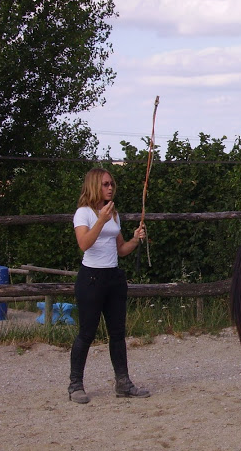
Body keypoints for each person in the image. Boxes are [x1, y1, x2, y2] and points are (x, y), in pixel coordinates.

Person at [68, 167, 151, 404]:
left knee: (117, 334)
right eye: (105, 184)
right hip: (91, 279)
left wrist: (135, 239)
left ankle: (123, 383)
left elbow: (121, 249)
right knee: (87, 333)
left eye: (111, 183)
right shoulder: (83, 214)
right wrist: (101, 220)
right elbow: (84, 243)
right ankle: (75, 385)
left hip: (113, 278)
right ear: (95, 185)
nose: (110, 187)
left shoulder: (113, 214)